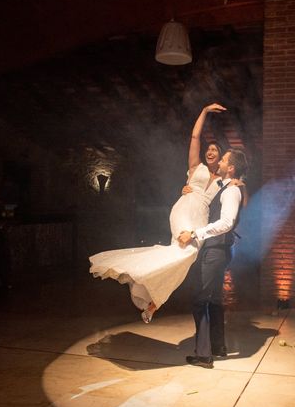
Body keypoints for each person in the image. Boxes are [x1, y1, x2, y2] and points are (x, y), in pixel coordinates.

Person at [89, 103, 228, 322]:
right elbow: (194, 137)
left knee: (184, 258)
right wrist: (204, 111)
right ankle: (148, 290)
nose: (210, 151)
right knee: (184, 254)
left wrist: (241, 183)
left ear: (220, 157)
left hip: (200, 219)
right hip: (183, 209)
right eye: (209, 149)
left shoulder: (223, 179)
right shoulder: (195, 167)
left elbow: (237, 185)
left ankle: (152, 299)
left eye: (215, 150)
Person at [178, 148, 248, 369]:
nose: (220, 161)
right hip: (218, 250)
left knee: (200, 300)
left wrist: (195, 234)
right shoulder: (225, 187)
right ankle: (218, 348)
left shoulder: (231, 191)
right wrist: (187, 190)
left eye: (224, 159)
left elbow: (227, 223)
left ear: (231, 167)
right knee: (215, 300)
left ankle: (204, 354)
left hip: (216, 251)